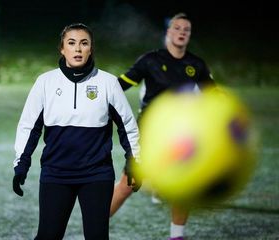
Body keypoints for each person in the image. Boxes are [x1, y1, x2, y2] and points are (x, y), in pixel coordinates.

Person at [12, 23, 141, 239]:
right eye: (71, 43)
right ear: (62, 49)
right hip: (56, 173)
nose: (78, 49)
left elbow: (128, 125)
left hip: (96, 174)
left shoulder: (108, 83)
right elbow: (29, 126)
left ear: (91, 48)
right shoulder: (45, 83)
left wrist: (134, 160)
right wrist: (21, 163)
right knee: (48, 236)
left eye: (84, 43)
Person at [110, 13, 215, 240]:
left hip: (181, 135)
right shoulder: (150, 60)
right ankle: (94, 227)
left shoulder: (196, 65)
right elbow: (119, 85)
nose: (181, 32)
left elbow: (214, 97)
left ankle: (177, 236)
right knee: (128, 185)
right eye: (177, 28)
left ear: (189, 35)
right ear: (168, 32)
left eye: (186, 29)